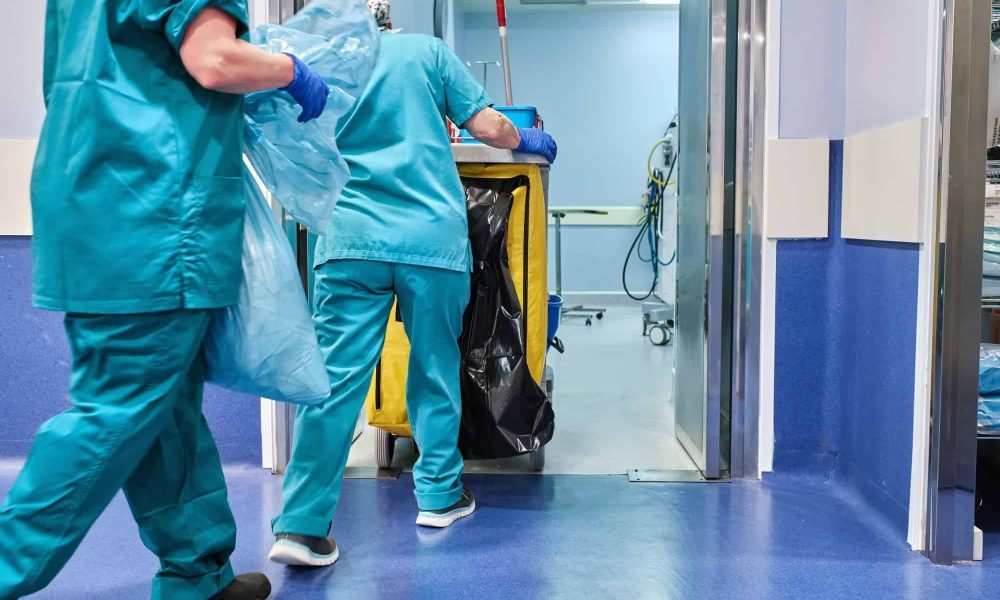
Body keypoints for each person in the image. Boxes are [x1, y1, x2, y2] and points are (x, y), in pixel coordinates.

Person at [0, 3, 329, 600]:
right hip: (152, 211)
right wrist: (288, 70)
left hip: (96, 199)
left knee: (165, 406)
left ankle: (196, 575)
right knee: (116, 408)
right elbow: (214, 60)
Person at [267, 0, 558, 568]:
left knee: (333, 383)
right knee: (434, 367)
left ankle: (300, 526)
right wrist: (530, 139)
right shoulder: (425, 52)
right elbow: (489, 127)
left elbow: (288, 139)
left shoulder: (317, 62)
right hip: (430, 241)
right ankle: (439, 497)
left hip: (348, 240)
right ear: (387, 16)